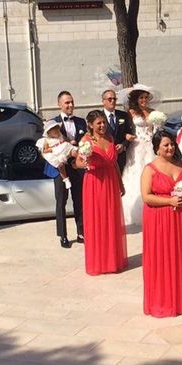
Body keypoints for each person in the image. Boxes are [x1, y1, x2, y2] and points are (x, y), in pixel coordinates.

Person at [141, 130, 182, 317]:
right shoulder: (149, 169)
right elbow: (146, 197)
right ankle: (164, 300)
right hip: (159, 220)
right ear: (157, 148)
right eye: (166, 145)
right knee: (163, 257)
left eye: (172, 144)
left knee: (181, 255)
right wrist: (169, 201)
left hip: (181, 219)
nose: (170, 148)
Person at [75, 111, 127, 275]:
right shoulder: (86, 141)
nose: (103, 126)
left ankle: (112, 260)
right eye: (99, 123)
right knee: (97, 221)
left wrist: (120, 183)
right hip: (95, 184)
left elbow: (114, 164)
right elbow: (77, 162)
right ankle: (99, 261)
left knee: (111, 220)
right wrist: (86, 162)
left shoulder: (110, 138)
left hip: (110, 182)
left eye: (104, 122)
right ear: (90, 125)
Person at [45, 91, 85, 249]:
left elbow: (85, 141)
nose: (70, 105)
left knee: (79, 199)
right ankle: (62, 235)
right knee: (61, 200)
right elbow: (46, 145)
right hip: (59, 166)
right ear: (59, 104)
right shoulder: (52, 123)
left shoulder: (81, 122)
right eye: (67, 103)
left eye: (72, 102)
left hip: (76, 165)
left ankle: (81, 232)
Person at [121, 84, 160, 226]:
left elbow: (156, 130)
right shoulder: (131, 112)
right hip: (136, 146)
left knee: (152, 172)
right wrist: (126, 136)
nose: (144, 100)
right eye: (141, 98)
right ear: (136, 99)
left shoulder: (153, 112)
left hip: (150, 145)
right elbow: (126, 128)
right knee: (136, 172)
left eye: (146, 97)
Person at [36, 119, 79, 189]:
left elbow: (66, 140)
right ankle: (65, 179)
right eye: (54, 130)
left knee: (75, 151)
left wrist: (70, 141)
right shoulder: (47, 140)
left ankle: (82, 161)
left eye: (57, 129)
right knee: (61, 164)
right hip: (58, 152)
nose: (57, 131)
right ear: (49, 133)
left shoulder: (60, 135)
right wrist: (52, 148)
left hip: (65, 148)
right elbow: (45, 150)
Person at [102, 89, 135, 173]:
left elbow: (128, 133)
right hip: (105, 156)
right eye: (110, 99)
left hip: (121, 157)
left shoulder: (123, 115)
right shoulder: (99, 116)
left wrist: (123, 145)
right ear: (103, 101)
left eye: (114, 99)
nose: (112, 101)